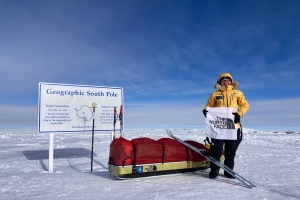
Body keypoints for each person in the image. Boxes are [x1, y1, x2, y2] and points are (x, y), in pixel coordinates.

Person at [203, 72, 249, 179]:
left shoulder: (238, 93)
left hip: (233, 126)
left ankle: (229, 172)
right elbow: (208, 106)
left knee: (230, 152)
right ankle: (214, 170)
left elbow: (245, 105)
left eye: (228, 79)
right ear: (219, 82)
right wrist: (206, 111)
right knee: (216, 151)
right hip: (218, 127)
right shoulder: (215, 95)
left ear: (231, 82)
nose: (226, 81)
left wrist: (239, 114)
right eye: (223, 80)